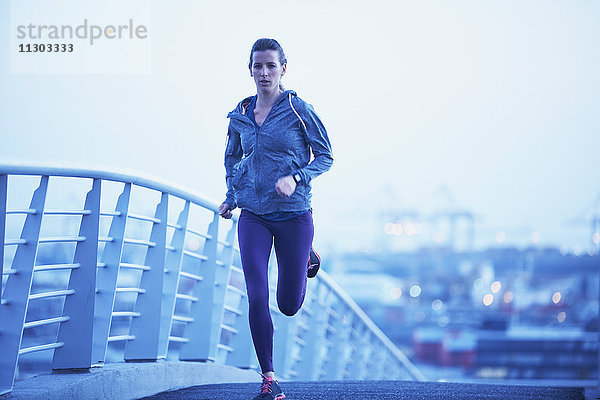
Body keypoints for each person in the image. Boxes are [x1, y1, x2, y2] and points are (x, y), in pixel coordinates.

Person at [218, 38, 333, 400]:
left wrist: (296, 177)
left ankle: (306, 256)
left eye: (271, 66)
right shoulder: (239, 115)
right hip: (254, 215)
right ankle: (269, 377)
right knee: (255, 294)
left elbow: (326, 156)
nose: (264, 73)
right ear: (249, 69)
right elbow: (232, 158)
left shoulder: (299, 110)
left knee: (287, 305)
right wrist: (232, 197)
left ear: (284, 68)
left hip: (294, 215)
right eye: (257, 66)